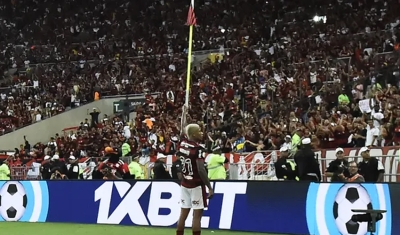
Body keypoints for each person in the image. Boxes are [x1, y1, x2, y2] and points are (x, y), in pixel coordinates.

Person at [176, 123, 214, 235]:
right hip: (196, 185)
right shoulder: (198, 149)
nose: (202, 133)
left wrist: (184, 112)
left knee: (183, 215)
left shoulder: (182, 144)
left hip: (185, 183)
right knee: (197, 217)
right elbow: (201, 169)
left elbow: (183, 130)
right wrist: (209, 187)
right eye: (199, 131)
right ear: (193, 134)